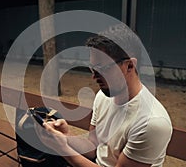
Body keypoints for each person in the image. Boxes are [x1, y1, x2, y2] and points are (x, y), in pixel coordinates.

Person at [39, 24, 173, 167]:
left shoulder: (151, 123)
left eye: (101, 69)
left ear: (129, 66)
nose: (94, 77)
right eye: (92, 69)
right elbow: (93, 147)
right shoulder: (103, 96)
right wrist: (66, 136)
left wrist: (62, 149)